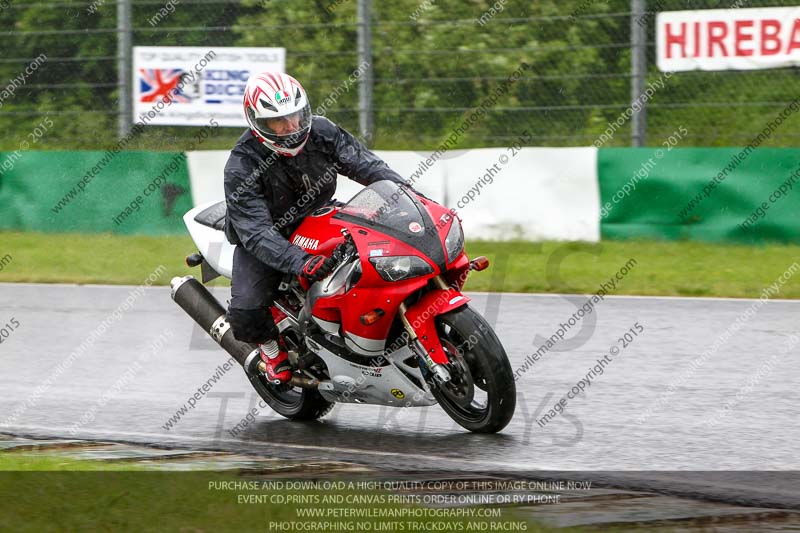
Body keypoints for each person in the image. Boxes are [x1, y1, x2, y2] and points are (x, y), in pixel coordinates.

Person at [223, 71, 409, 384]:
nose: (291, 127)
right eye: (278, 122)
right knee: (247, 309)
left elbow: (368, 166)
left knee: (378, 250)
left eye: (296, 116)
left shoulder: (322, 132)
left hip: (320, 213)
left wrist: (407, 194)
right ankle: (271, 351)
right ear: (257, 123)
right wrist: (302, 261)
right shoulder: (241, 165)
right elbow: (256, 233)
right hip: (267, 234)